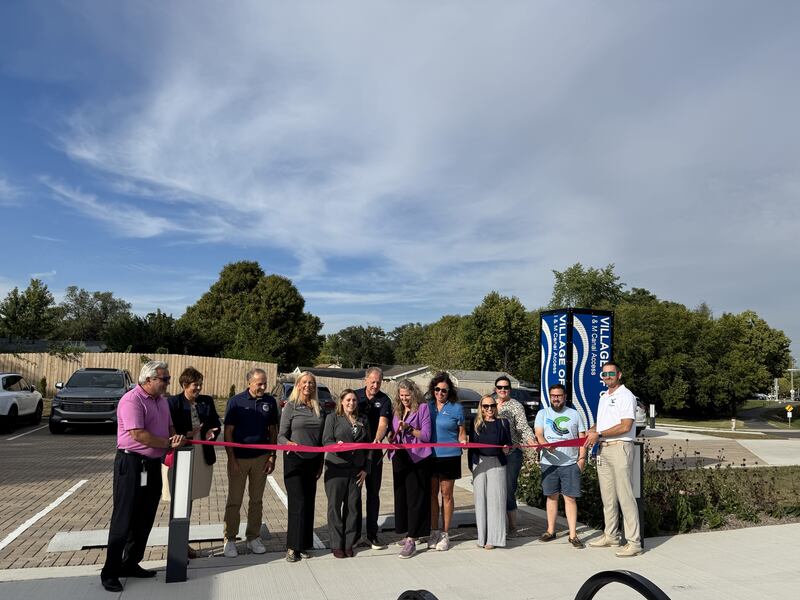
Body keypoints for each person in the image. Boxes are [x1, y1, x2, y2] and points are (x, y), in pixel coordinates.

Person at [100, 361, 185, 593]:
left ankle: (130, 563)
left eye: (168, 378)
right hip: (131, 463)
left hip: (152, 464)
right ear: (148, 380)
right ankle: (110, 572)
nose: (168, 382)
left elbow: (169, 427)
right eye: (164, 379)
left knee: (145, 516)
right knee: (124, 518)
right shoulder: (132, 400)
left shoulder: (162, 401)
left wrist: (175, 438)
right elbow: (138, 434)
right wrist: (167, 443)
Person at [583, 362, 642, 557]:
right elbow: (603, 423)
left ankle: (634, 542)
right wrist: (593, 430)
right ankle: (611, 535)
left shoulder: (626, 396)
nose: (607, 376)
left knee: (625, 497)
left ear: (619, 375)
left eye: (611, 373)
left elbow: (626, 426)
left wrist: (598, 434)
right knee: (608, 497)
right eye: (604, 374)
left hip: (619, 447)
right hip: (604, 449)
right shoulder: (604, 396)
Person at [222, 368, 278, 557]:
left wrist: (272, 456)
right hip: (239, 459)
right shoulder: (235, 401)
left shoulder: (270, 402)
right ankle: (230, 539)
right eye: (259, 383)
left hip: (261, 458)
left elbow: (273, 431)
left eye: (265, 383)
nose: (263, 387)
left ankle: (253, 537)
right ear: (249, 383)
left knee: (256, 501)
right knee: (234, 500)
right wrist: (231, 459)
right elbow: (228, 432)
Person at [166, 366, 222, 559]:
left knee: (189, 497)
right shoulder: (173, 403)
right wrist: (186, 434)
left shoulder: (206, 401)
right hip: (180, 454)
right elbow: (168, 428)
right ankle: (178, 543)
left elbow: (215, 422)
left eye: (200, 385)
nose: (198, 388)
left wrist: (212, 431)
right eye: (194, 385)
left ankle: (182, 541)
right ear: (184, 385)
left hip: (201, 453)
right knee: (180, 498)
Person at [278, 371, 325, 562]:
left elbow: (321, 440)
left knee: (309, 502)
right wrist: (288, 444)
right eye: (304, 382)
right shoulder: (291, 406)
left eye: (311, 383)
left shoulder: (318, 408)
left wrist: (321, 462)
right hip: (294, 460)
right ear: (298, 385)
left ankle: (304, 545)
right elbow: (281, 436)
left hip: (313, 461)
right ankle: (292, 547)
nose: (308, 386)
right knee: (297, 502)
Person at [534, 383, 587, 548]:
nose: (556, 398)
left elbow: (582, 439)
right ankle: (550, 531)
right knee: (551, 497)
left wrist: (582, 459)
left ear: (565, 397)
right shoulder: (542, 413)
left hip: (570, 463)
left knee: (570, 498)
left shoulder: (575, 414)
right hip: (548, 463)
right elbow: (539, 434)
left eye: (559, 395)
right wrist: (545, 444)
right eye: (553, 396)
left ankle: (573, 535)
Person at [323, 389, 372, 558]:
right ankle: (336, 544)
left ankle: (349, 543)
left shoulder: (363, 420)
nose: (351, 403)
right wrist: (336, 445)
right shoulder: (332, 418)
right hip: (336, 468)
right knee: (334, 507)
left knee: (352, 508)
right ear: (342, 401)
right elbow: (326, 440)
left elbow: (369, 447)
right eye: (348, 400)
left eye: (354, 400)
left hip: (356, 471)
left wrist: (366, 469)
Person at [390, 379, 432, 559]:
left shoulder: (422, 408)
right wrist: (392, 435)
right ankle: (408, 532)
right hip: (399, 456)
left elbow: (426, 436)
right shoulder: (397, 409)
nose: (404, 398)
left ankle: (412, 539)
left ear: (414, 393)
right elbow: (393, 430)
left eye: (407, 395)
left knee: (415, 499)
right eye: (401, 395)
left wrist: (409, 429)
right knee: (402, 497)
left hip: (417, 458)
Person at [427, 372, 466, 552]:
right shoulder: (427, 407)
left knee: (446, 495)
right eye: (437, 389)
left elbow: (461, 433)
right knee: (432, 494)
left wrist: (463, 440)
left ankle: (445, 533)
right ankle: (434, 531)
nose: (440, 393)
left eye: (444, 390)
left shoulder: (456, 408)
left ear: (449, 391)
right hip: (430, 456)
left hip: (450, 456)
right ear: (433, 390)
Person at [494, 375, 536, 535]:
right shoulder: (489, 403)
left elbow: (523, 427)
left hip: (511, 454)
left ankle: (512, 527)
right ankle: (496, 526)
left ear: (510, 389)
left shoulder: (516, 406)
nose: (502, 390)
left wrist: (531, 441)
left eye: (506, 387)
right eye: (500, 387)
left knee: (508, 489)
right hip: (492, 455)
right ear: (495, 389)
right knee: (494, 490)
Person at [355, 367, 392, 549]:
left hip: (375, 452)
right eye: (372, 381)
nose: (375, 385)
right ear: (365, 380)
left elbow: (383, 423)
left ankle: (372, 534)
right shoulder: (355, 396)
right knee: (354, 494)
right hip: (356, 453)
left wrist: (377, 439)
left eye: (378, 382)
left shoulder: (384, 400)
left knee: (373, 494)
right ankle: (354, 534)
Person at [468, 395, 511, 549]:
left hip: (497, 463)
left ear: (496, 406)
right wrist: (471, 466)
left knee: (496, 501)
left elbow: (508, 443)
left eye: (492, 405)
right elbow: (471, 445)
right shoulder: (475, 423)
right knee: (480, 501)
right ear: (481, 408)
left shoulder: (503, 422)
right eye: (485, 406)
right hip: (479, 463)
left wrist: (506, 448)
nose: (489, 409)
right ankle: (482, 538)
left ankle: (494, 539)